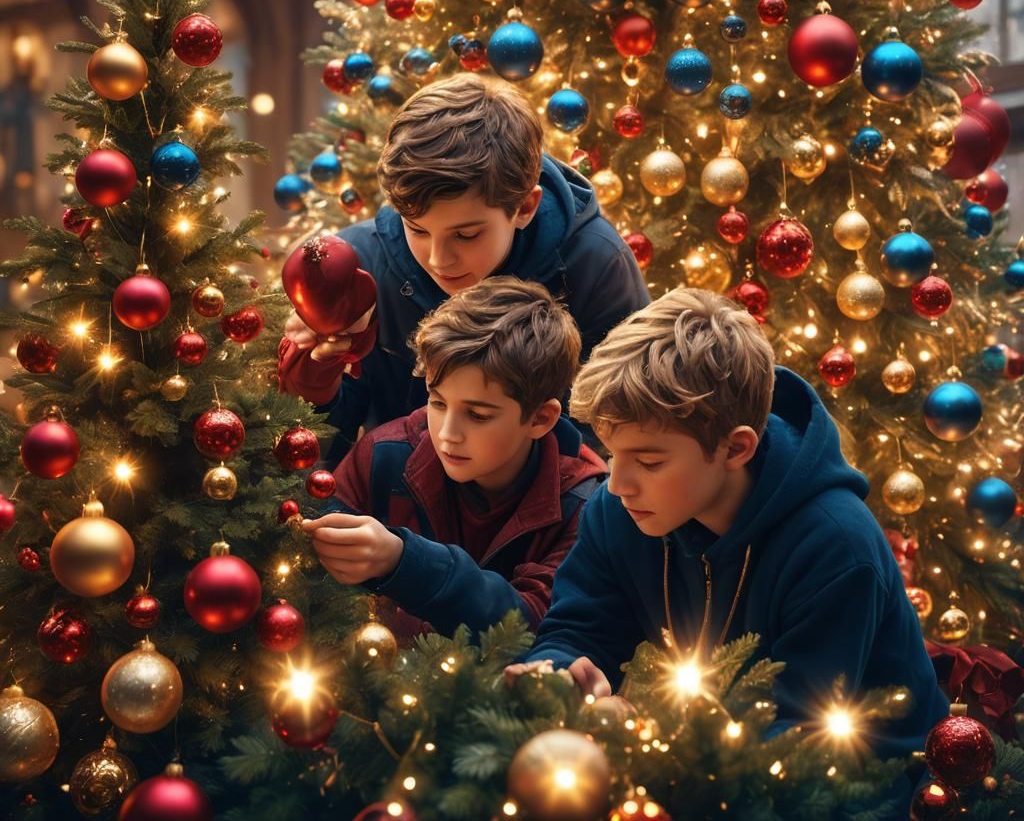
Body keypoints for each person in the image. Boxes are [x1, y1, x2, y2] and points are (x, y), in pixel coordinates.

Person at [505, 288, 948, 763]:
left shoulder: (836, 547)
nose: (617, 485)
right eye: (613, 454)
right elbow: (578, 628)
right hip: (708, 757)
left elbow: (802, 743)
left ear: (736, 449)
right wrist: (557, 675)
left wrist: (634, 731)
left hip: (869, 785)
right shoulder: (621, 512)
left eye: (650, 462)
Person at [279, 72, 649, 467]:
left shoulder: (596, 264)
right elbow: (324, 461)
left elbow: (623, 434)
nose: (439, 259)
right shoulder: (362, 264)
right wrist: (319, 388)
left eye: (467, 234)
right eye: (417, 230)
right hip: (393, 504)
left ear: (524, 207)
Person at [300, 278, 607, 642]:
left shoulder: (585, 504)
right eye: (438, 402)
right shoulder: (384, 455)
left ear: (540, 419)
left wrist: (405, 562)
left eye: (477, 415)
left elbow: (537, 627)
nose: (447, 433)